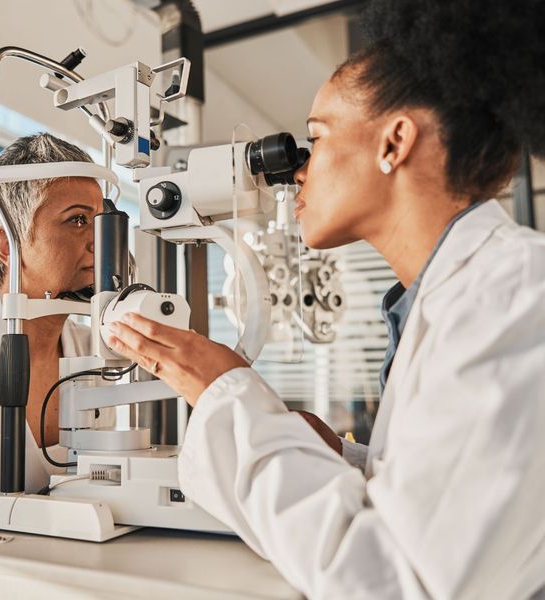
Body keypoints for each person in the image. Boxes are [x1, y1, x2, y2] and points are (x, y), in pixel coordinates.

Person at [107, 0, 545, 598]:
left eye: (315, 139)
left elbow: (394, 580)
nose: (295, 172)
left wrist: (225, 394)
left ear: (394, 143)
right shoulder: (453, 294)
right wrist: (341, 454)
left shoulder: (509, 296)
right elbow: (447, 496)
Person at [0, 133, 106, 538]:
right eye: (77, 220)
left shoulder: (97, 351)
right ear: (8, 246)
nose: (99, 240)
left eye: (103, 220)